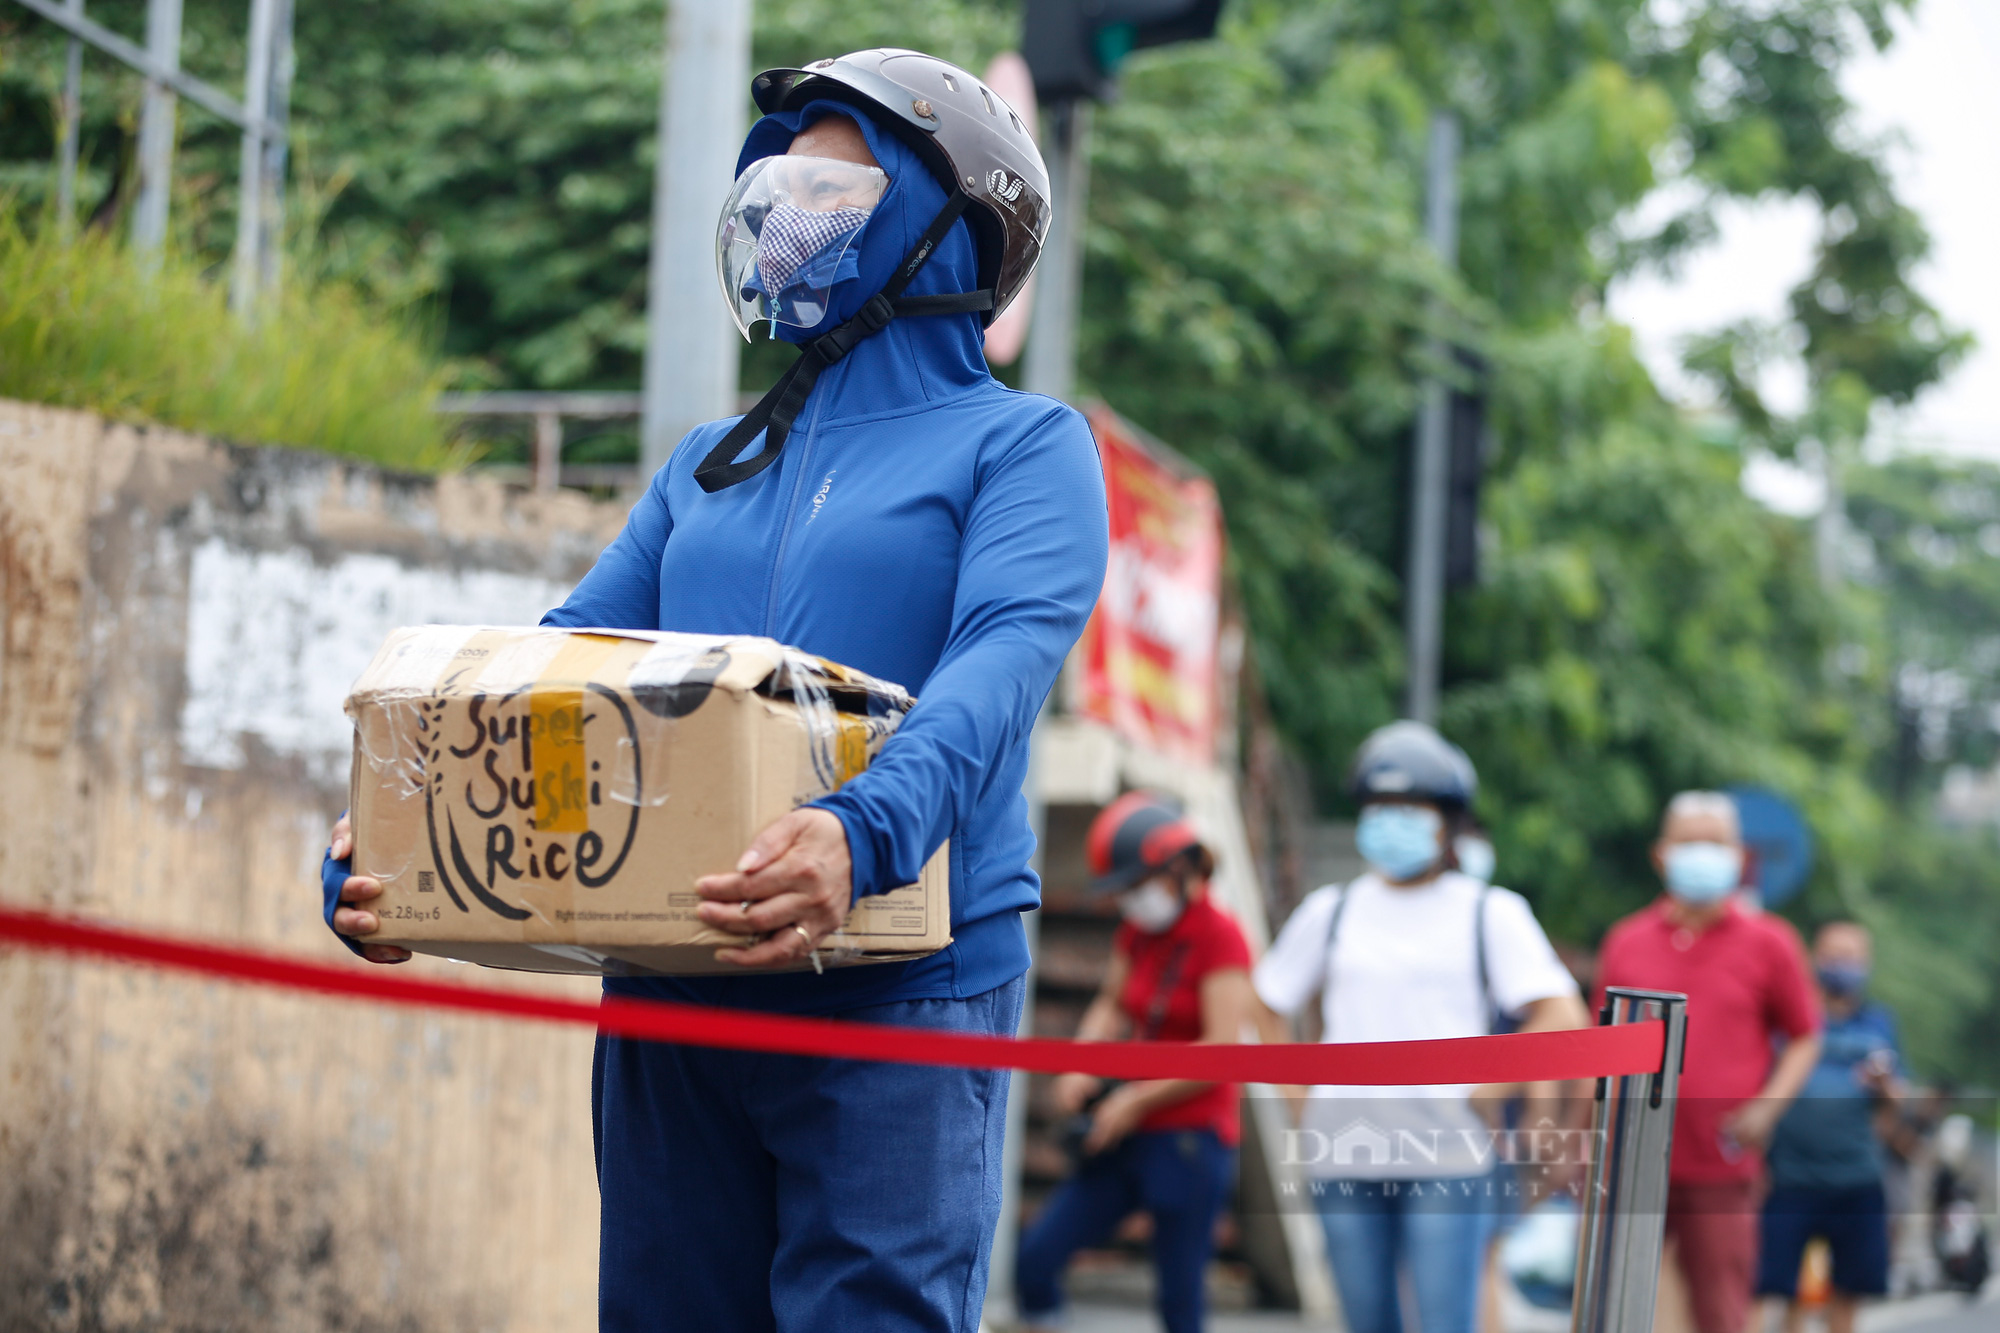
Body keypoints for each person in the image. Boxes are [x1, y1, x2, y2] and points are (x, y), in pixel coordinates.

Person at [322, 49, 1110, 1333]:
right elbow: (559, 667)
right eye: (774, 178)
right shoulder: (708, 465)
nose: (780, 208)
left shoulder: (1023, 447)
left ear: (942, 223)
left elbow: (997, 673)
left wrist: (863, 833)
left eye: (829, 179)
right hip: (675, 976)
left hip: (902, 985)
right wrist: (413, 833)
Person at [1253, 722, 1588, 1333]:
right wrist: (1298, 1096)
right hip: (1343, 1155)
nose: (1391, 821)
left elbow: (1561, 1014)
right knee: (1365, 1319)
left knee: (1443, 1321)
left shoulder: (1490, 912)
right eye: (1378, 808)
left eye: (1409, 808)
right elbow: (1266, 1001)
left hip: (1448, 1158)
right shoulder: (1332, 910)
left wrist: (1499, 1080)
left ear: (1447, 821)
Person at [1015, 793, 1257, 1333]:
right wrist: (1082, 1059)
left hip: (1191, 1138)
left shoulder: (1222, 936)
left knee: (1179, 1305)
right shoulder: (1140, 931)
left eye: (1135, 886)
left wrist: (1133, 1099)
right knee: (1036, 1259)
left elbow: (1222, 1049)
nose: (1131, 900)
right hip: (1127, 1127)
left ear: (1178, 868)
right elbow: (1111, 1004)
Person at [1594, 791, 1822, 1333]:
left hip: (1720, 1162)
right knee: (1618, 1308)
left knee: (1720, 1310)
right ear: (1661, 854)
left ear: (1740, 856)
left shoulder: (1771, 943)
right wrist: (1582, 1144)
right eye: (1688, 842)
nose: (1701, 853)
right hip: (1631, 1163)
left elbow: (1806, 1036)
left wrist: (1765, 1110)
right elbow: (1597, 1048)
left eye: (1714, 843)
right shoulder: (1626, 941)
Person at [1757, 922, 1902, 1333]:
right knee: (1780, 1291)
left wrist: (1885, 1086)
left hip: (1856, 1178)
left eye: (1851, 956)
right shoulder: (1790, 1019)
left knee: (1849, 1290)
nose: (1843, 965)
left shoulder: (1879, 1024)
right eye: (1834, 955)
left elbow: (1899, 1101)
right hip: (1789, 1178)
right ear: (1814, 959)